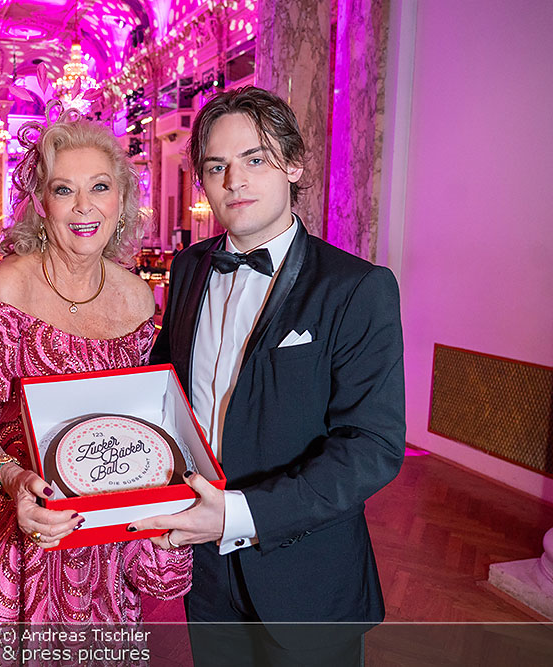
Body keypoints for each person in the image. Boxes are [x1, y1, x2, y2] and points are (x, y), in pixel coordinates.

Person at [129, 87, 405, 665]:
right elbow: (165, 387)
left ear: (295, 164)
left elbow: (371, 448)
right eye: (216, 167)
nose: (234, 181)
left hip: (307, 572)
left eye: (255, 159)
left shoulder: (356, 287)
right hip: (205, 566)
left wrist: (238, 514)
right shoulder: (190, 267)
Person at [0, 104, 191, 634]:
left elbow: (138, 415)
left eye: (100, 187)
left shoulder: (138, 297)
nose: (84, 206)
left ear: (122, 200)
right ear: (41, 204)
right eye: (64, 190)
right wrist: (15, 480)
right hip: (13, 516)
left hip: (100, 509)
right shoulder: (7, 287)